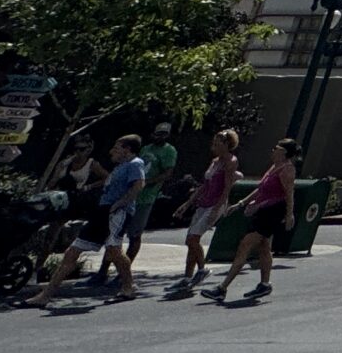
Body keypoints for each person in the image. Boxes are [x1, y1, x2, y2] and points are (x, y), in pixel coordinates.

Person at [29, 133, 146, 305]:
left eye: (116, 147)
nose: (112, 151)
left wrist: (120, 203)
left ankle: (128, 287)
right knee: (72, 251)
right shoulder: (121, 165)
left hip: (118, 212)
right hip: (102, 211)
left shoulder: (136, 164)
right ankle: (45, 296)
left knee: (114, 250)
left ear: (127, 149)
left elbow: (139, 185)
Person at [208, 138, 299, 303]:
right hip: (262, 210)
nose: (273, 150)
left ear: (284, 152)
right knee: (264, 247)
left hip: (273, 212)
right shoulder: (274, 167)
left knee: (245, 244)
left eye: (276, 148)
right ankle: (265, 284)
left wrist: (289, 215)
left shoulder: (287, 170)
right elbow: (261, 189)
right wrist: (241, 203)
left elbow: (289, 194)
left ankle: (222, 288)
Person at [166, 130, 239, 297]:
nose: (214, 144)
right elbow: (204, 185)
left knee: (193, 238)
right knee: (190, 240)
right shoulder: (214, 161)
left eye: (219, 141)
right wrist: (187, 204)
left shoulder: (230, 161)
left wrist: (216, 209)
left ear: (227, 144)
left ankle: (202, 269)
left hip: (215, 204)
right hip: (203, 202)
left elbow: (227, 187)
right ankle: (187, 277)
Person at [123, 122, 178, 277]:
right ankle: (105, 270)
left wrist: (148, 182)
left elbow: (167, 173)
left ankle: (124, 270)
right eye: (158, 133)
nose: (160, 136)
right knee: (118, 232)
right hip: (132, 194)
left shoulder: (169, 151)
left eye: (164, 134)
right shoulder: (146, 149)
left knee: (135, 234)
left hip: (147, 196)